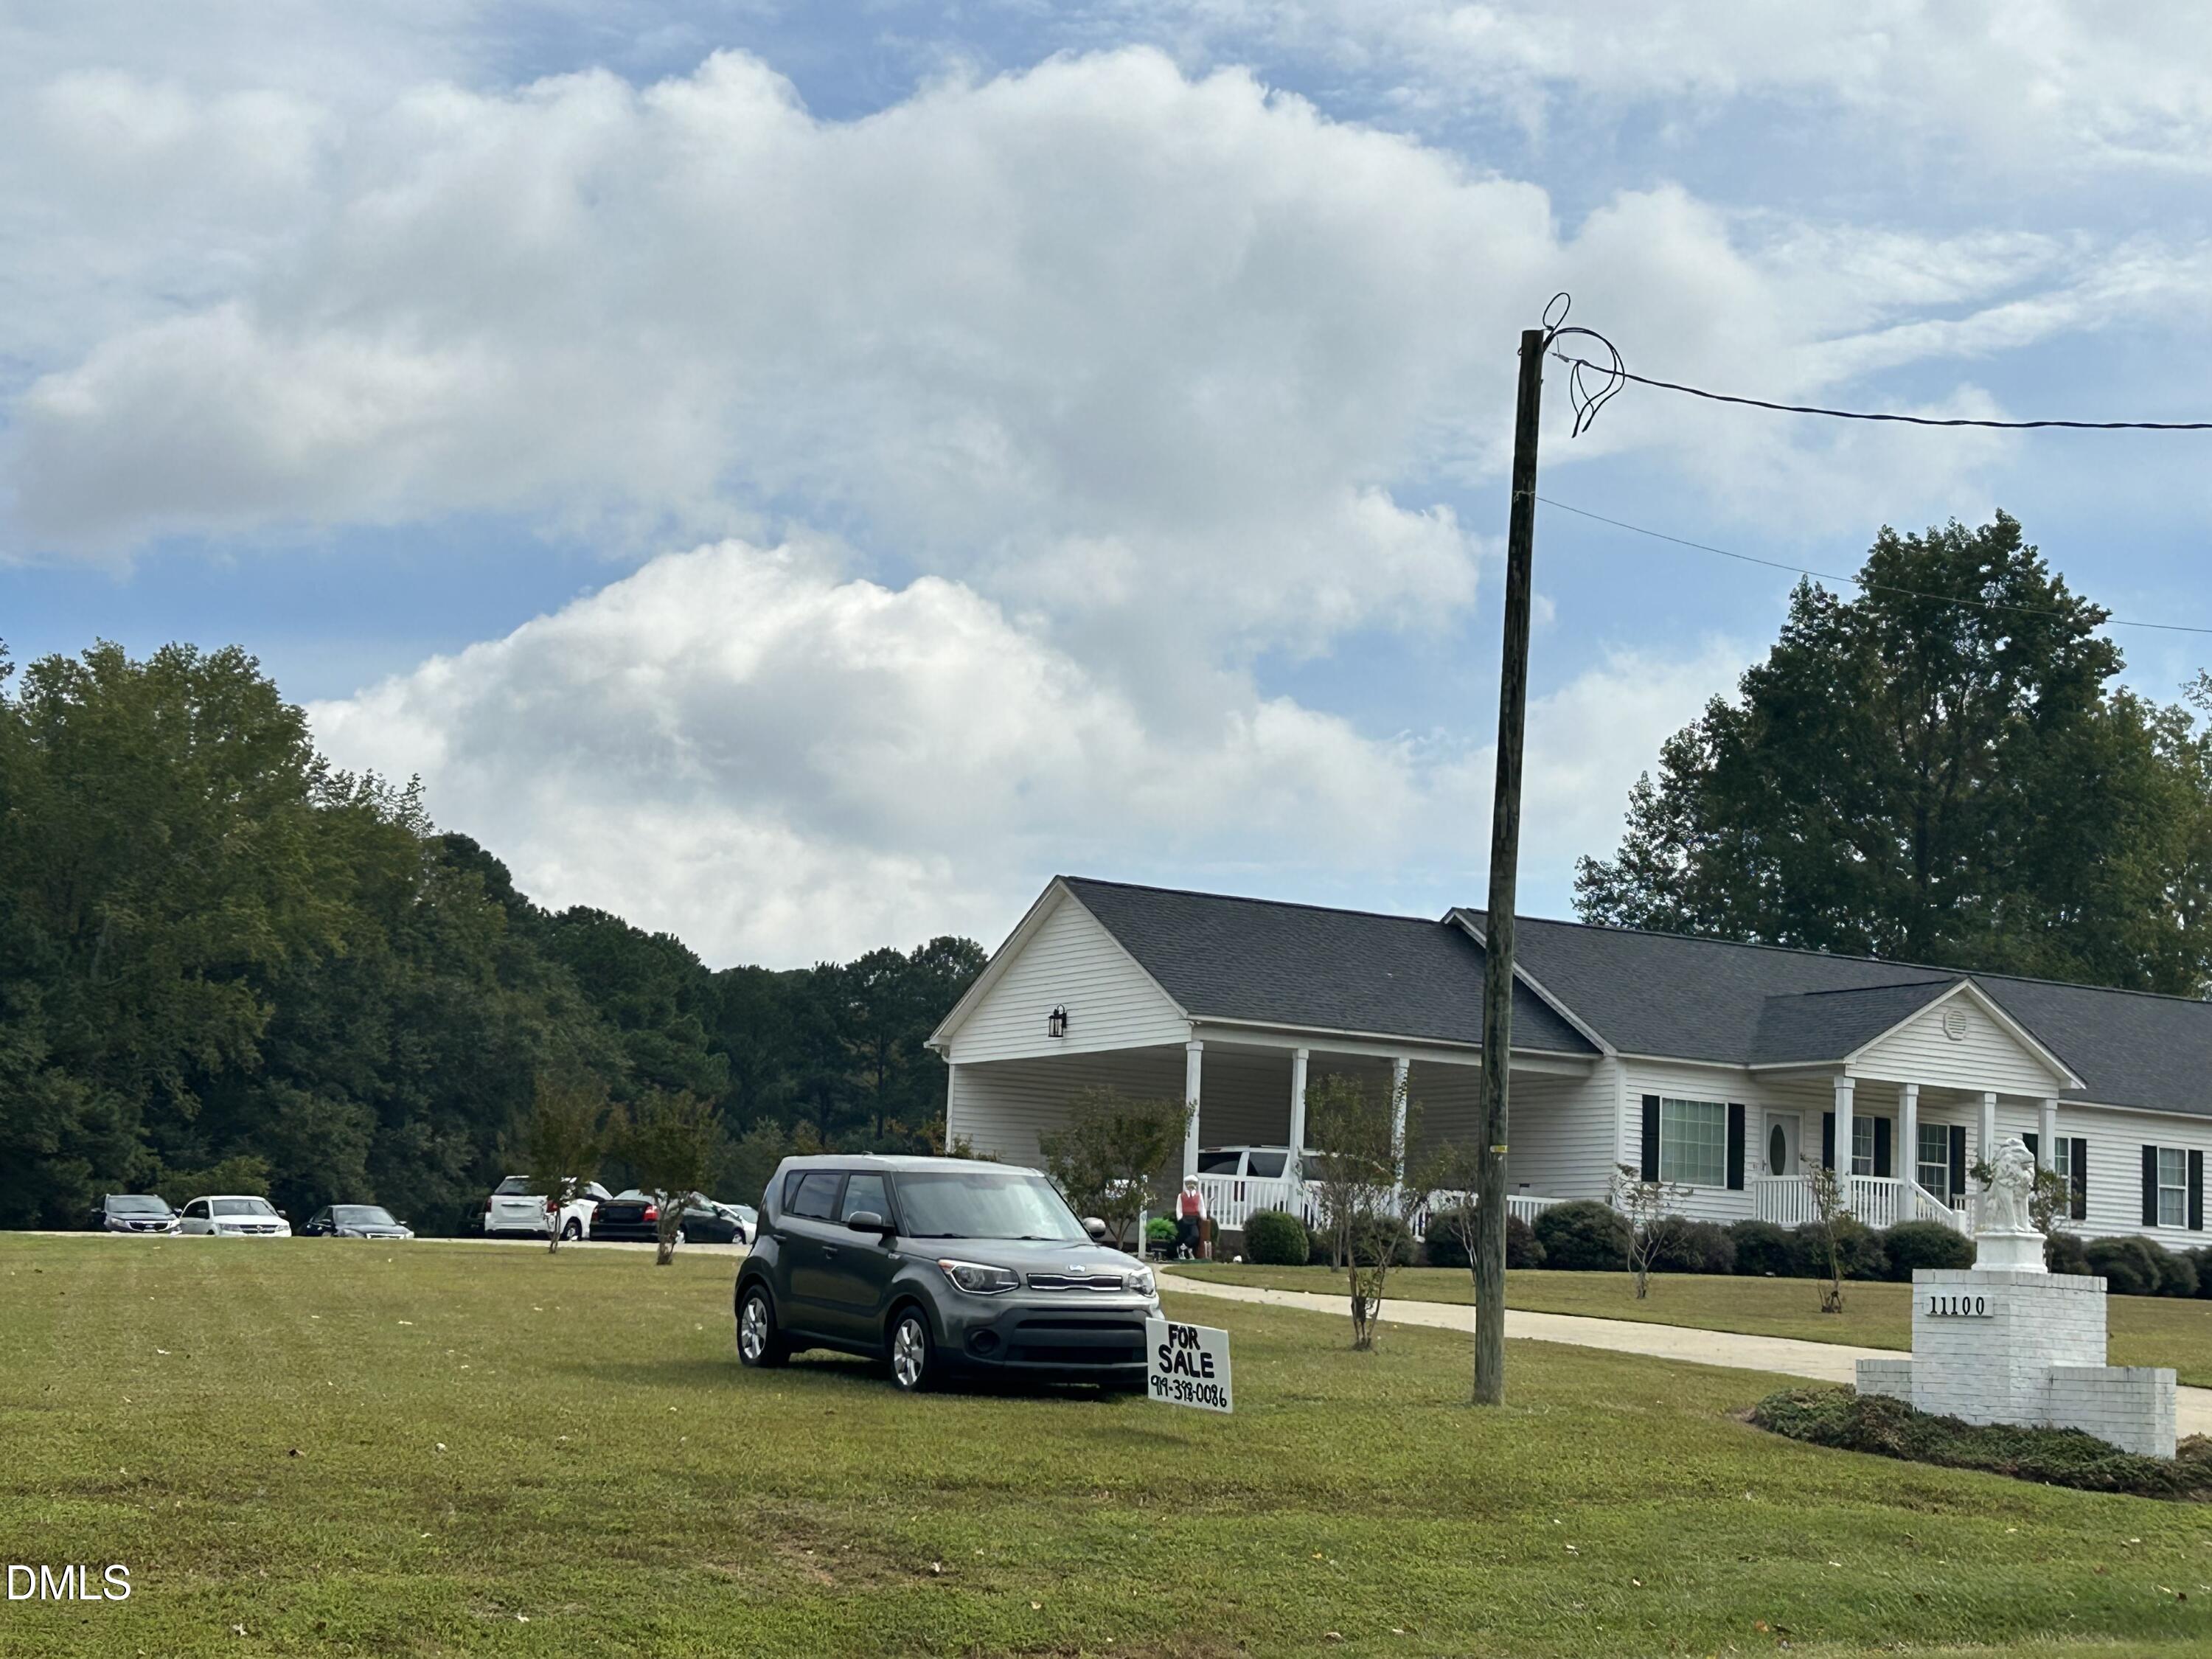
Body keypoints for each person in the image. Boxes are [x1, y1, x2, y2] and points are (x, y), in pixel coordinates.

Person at [1175, 1178, 1208, 1261]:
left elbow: (1201, 1207)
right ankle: (1185, 1253)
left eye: (1193, 1183)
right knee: (1184, 1235)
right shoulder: (1181, 1196)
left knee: (1195, 1235)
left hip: (1194, 1219)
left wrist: (1204, 1216)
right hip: (1184, 1219)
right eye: (1189, 1183)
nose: (1191, 1186)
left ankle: (1182, 1248)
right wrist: (1180, 1218)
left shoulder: (1198, 1196)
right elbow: (1179, 1207)